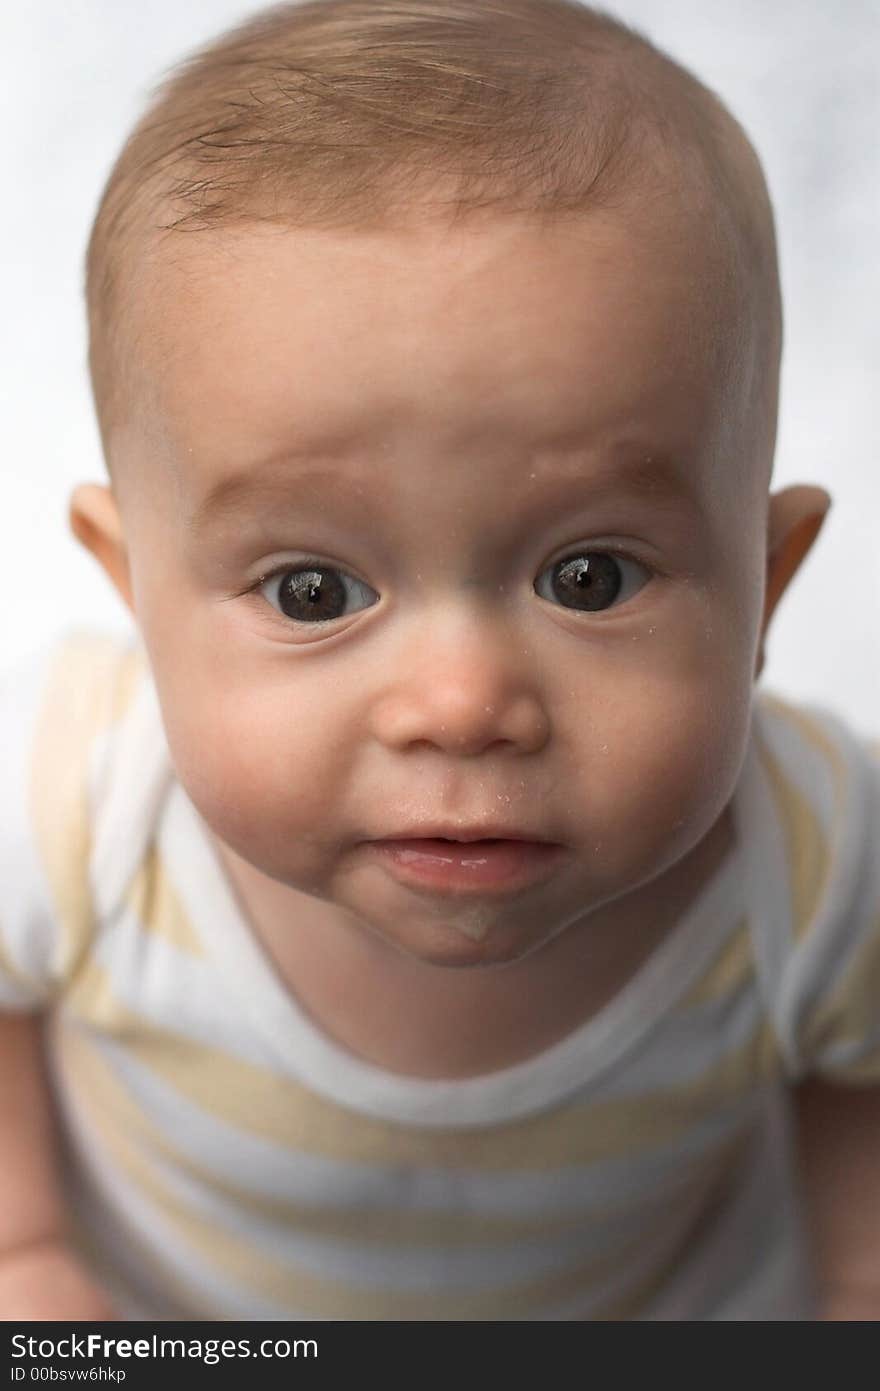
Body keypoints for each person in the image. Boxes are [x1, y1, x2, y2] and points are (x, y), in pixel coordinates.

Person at [1, 0, 878, 1321]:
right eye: (313, 591)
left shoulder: (814, 861)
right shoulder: (69, 798)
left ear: (766, 586)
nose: (463, 705)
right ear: (137, 593)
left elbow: (858, 1077)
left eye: (591, 578)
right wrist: (22, 1248)